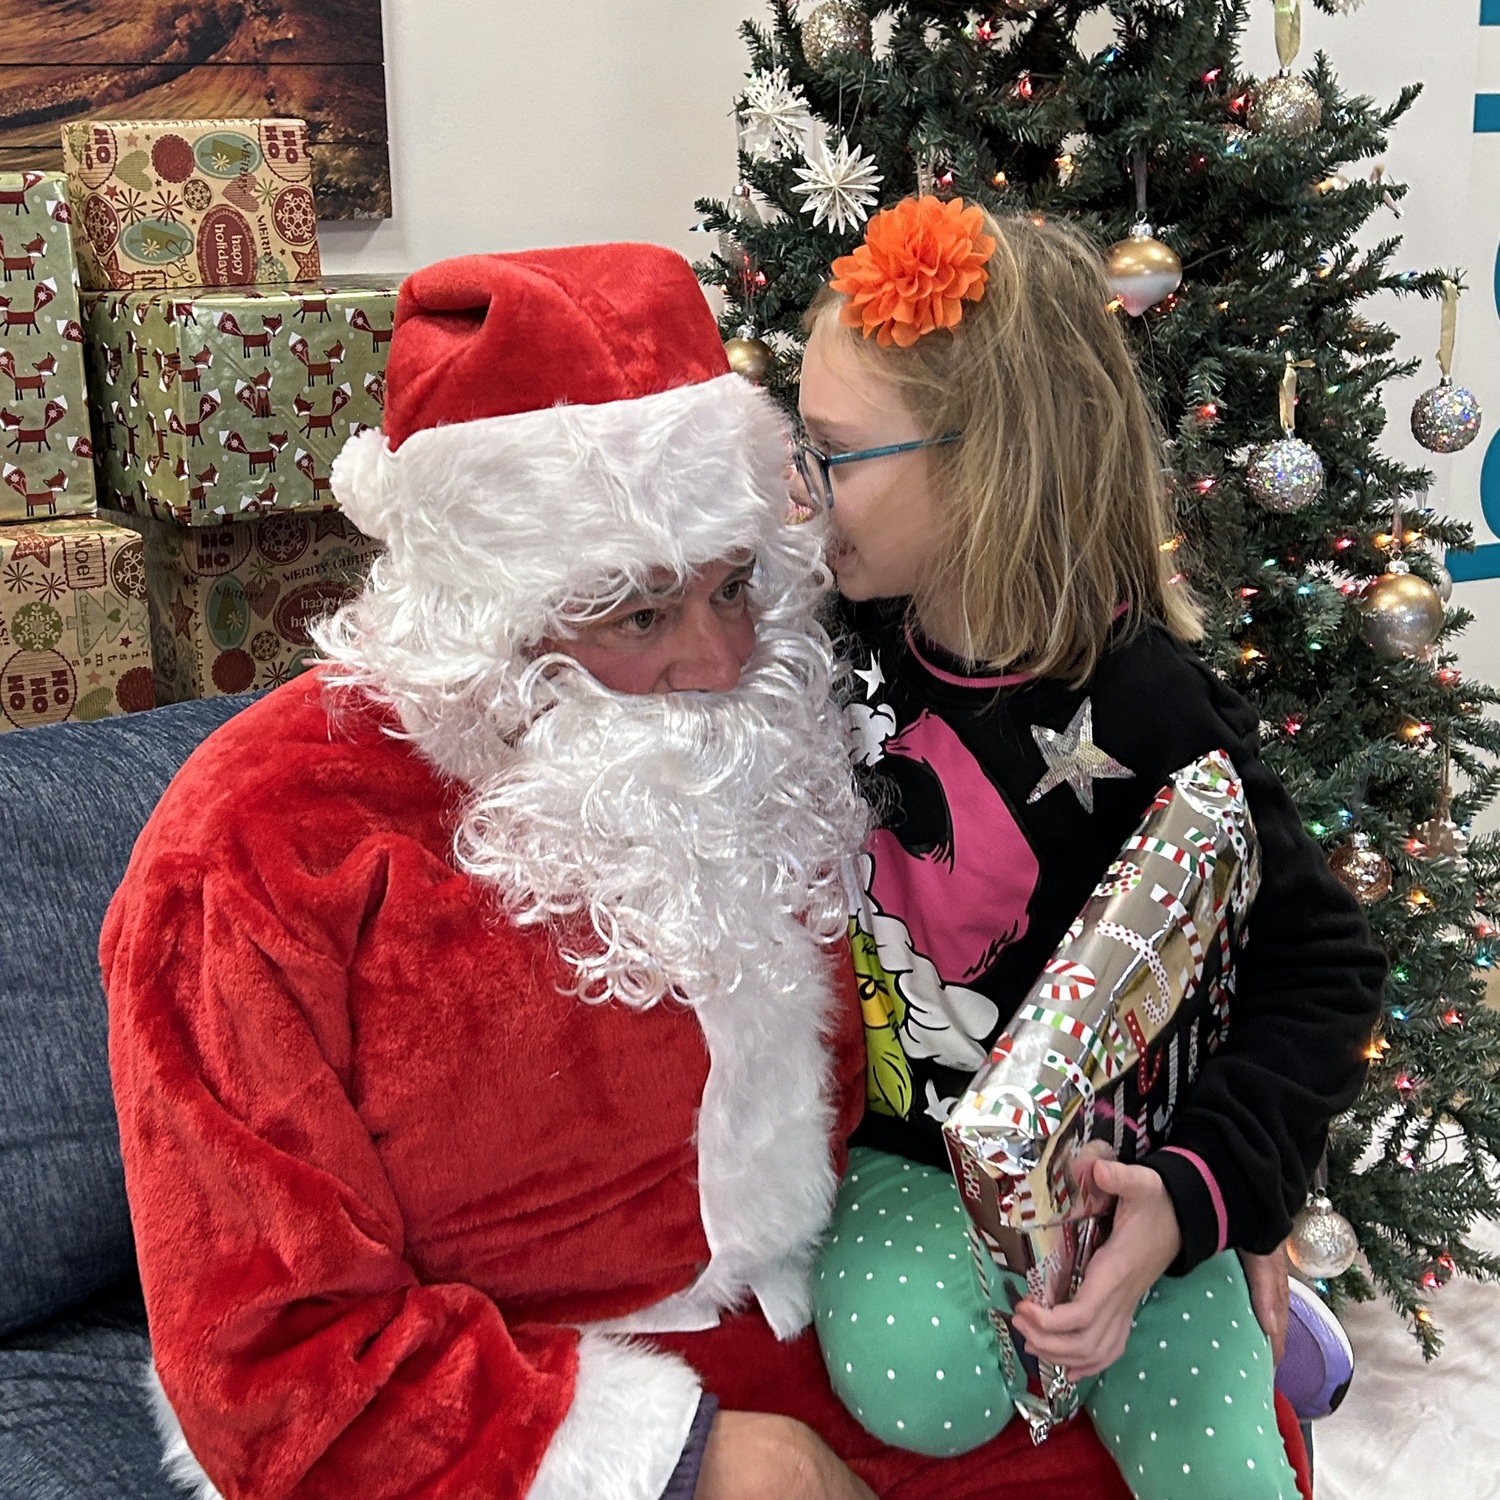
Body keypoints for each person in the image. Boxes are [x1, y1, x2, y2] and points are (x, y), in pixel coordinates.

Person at [102, 244, 1149, 1500]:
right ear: (493, 615)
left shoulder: (818, 703)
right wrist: (681, 1460)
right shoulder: (258, 849)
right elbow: (270, 1360)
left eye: (735, 586)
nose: (717, 661)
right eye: (640, 614)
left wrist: (1208, 1199)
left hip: (865, 1311)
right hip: (531, 1412)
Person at [793, 197, 1382, 1498]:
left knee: (1221, 1471)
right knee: (918, 1389)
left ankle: (1233, 1287)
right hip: (920, 1154)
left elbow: (1322, 963)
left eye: (832, 452)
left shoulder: (1148, 706)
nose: (801, 486)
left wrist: (1202, 1196)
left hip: (1133, 1169)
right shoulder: (822, 641)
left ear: (980, 462)